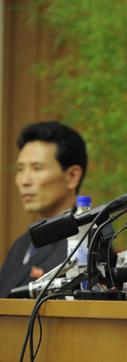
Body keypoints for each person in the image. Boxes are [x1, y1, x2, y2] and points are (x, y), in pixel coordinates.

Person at [0, 121, 87, 298]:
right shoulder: (21, 245)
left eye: (37, 168)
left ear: (72, 176)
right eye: (20, 169)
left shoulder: (86, 245)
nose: (24, 181)